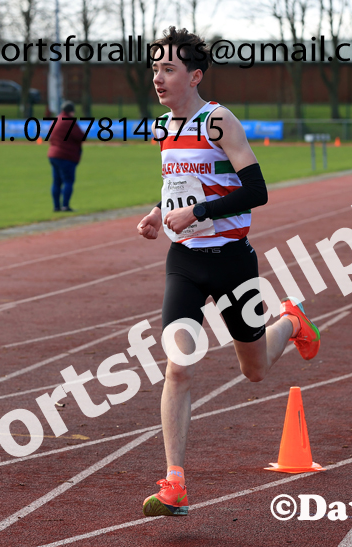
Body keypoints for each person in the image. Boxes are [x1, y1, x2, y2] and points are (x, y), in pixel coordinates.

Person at [136, 26, 321, 518]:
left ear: (194, 76)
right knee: (178, 365)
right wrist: (160, 212)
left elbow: (256, 191)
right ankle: (175, 482)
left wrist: (196, 214)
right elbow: (182, 182)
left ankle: (291, 322)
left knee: (254, 371)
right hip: (186, 265)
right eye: (155, 67)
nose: (158, 76)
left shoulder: (219, 121)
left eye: (168, 68)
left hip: (234, 263)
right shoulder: (163, 127)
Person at [47, 101, 84, 212]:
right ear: (71, 111)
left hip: (53, 154)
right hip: (66, 155)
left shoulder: (56, 119)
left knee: (56, 182)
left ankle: (56, 206)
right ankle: (65, 205)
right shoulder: (69, 121)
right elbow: (80, 136)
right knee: (68, 181)